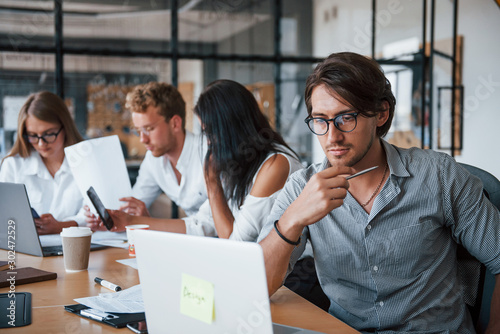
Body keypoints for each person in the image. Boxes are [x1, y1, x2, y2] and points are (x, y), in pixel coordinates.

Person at [257, 52, 500, 333]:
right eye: (320, 120)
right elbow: (257, 287)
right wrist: (292, 220)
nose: (332, 137)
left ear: (381, 113)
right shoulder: (302, 188)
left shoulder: (438, 176)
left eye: (346, 118)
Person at [105, 79, 303, 241]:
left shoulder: (274, 164)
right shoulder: (241, 162)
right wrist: (131, 221)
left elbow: (236, 243)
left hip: (292, 279)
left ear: (230, 127)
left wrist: (212, 182)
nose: (207, 141)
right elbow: (202, 222)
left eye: (209, 131)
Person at [85, 82, 208, 230]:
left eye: (149, 129)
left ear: (175, 123)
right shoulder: (153, 159)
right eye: (138, 131)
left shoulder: (207, 154)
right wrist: (112, 218)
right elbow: (133, 204)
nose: (143, 139)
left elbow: (207, 226)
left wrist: (141, 221)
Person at [0, 91, 86, 234]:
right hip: (27, 250)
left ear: (65, 127)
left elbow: (95, 215)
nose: (41, 143)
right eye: (33, 136)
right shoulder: (13, 165)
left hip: (78, 245)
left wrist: (61, 226)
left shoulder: (86, 163)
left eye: (48, 134)